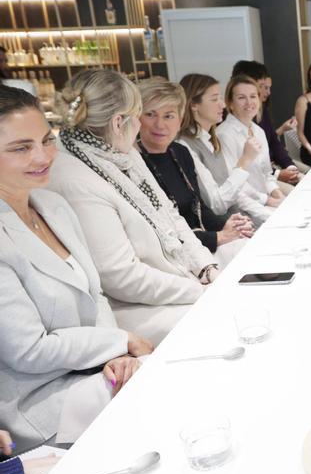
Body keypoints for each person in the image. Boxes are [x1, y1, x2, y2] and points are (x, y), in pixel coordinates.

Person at [0, 85, 153, 453]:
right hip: (40, 402)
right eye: (21, 147)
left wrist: (116, 355)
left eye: (46, 140)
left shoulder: (53, 205)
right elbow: (29, 351)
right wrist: (118, 342)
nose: (43, 155)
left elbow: (95, 293)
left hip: (93, 370)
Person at [48, 69, 218, 345]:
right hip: (132, 309)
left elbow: (170, 215)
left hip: (174, 282)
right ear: (119, 122)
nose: (142, 126)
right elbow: (121, 277)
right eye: (141, 115)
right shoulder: (74, 178)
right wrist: (197, 289)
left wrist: (206, 267)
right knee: (216, 323)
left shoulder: (123, 150)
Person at [136, 78, 253, 268]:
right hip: (175, 259)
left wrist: (226, 225)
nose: (160, 124)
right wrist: (217, 237)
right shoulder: (134, 162)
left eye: (168, 116)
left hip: (203, 244)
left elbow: (198, 206)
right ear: (136, 118)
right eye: (150, 114)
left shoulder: (180, 152)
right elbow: (164, 230)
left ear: (180, 119)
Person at [178, 73, 272, 223]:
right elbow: (217, 205)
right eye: (215, 99)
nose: (222, 105)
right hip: (227, 226)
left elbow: (238, 193)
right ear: (193, 105)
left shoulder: (211, 139)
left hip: (241, 217)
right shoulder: (185, 146)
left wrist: (268, 214)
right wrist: (244, 161)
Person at [216, 74, 285, 225]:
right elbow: (234, 185)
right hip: (245, 209)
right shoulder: (224, 134)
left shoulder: (258, 131)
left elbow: (266, 173)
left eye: (253, 96)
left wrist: (277, 193)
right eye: (241, 97)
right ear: (230, 103)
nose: (249, 102)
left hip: (266, 200)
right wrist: (268, 201)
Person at [230, 60, 301, 188]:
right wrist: (278, 174)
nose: (266, 92)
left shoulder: (260, 117)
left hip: (269, 174)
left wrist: (289, 167)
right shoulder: (228, 130)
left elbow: (274, 143)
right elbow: (252, 170)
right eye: (262, 86)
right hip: (256, 183)